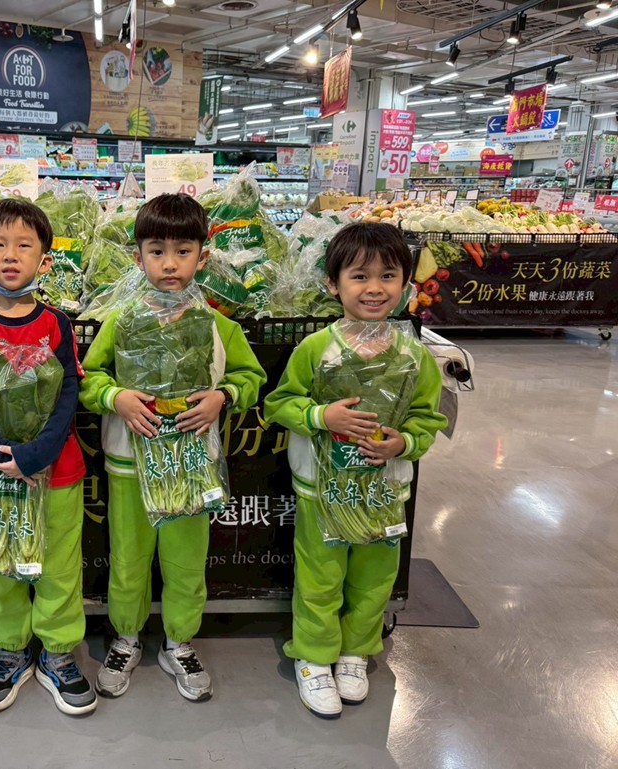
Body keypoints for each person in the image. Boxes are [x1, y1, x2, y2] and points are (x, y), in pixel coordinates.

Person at [80, 194, 266, 702]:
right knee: (129, 559)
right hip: (129, 465)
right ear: (137, 257)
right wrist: (115, 397)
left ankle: (179, 641)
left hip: (191, 465)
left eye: (183, 251)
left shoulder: (218, 325)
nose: (169, 263)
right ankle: (125, 637)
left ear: (202, 257)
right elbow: (89, 378)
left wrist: (223, 397)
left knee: (186, 561)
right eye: (156, 251)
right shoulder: (120, 321)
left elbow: (250, 377)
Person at [263, 222, 447, 720]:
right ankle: (314, 655)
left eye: (388, 276)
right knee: (320, 575)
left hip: (384, 490)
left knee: (373, 578)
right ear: (333, 284)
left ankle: (354, 651)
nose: (374, 288)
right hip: (322, 491)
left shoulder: (414, 356)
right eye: (359, 276)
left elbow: (428, 418)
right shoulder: (316, 349)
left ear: (405, 285)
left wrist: (403, 443)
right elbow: (279, 403)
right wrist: (322, 416)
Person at [0, 198, 96, 717]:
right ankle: (9, 650)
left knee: (58, 565)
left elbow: (68, 394)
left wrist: (37, 453)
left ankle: (58, 653)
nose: (10, 255)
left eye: (23, 246)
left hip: (55, 471)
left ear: (45, 260)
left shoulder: (57, 324)